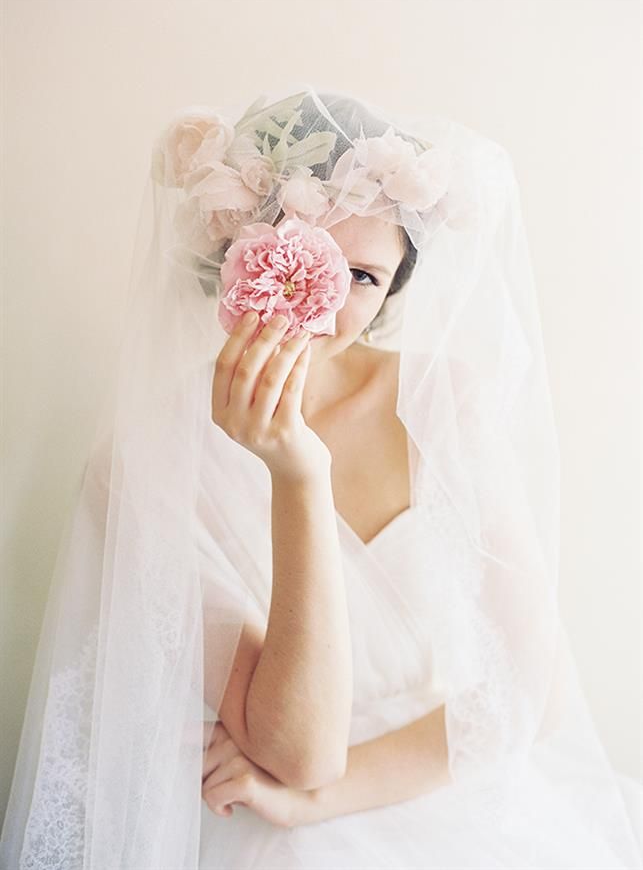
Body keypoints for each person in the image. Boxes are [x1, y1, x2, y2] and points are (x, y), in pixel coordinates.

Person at [1, 83, 641, 870]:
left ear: (393, 287)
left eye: (362, 276)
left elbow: (529, 693)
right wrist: (297, 476)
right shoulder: (143, 464)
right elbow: (299, 754)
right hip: (263, 813)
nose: (317, 303)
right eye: (297, 262)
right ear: (229, 257)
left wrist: (324, 800)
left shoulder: (444, 405)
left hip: (442, 784)